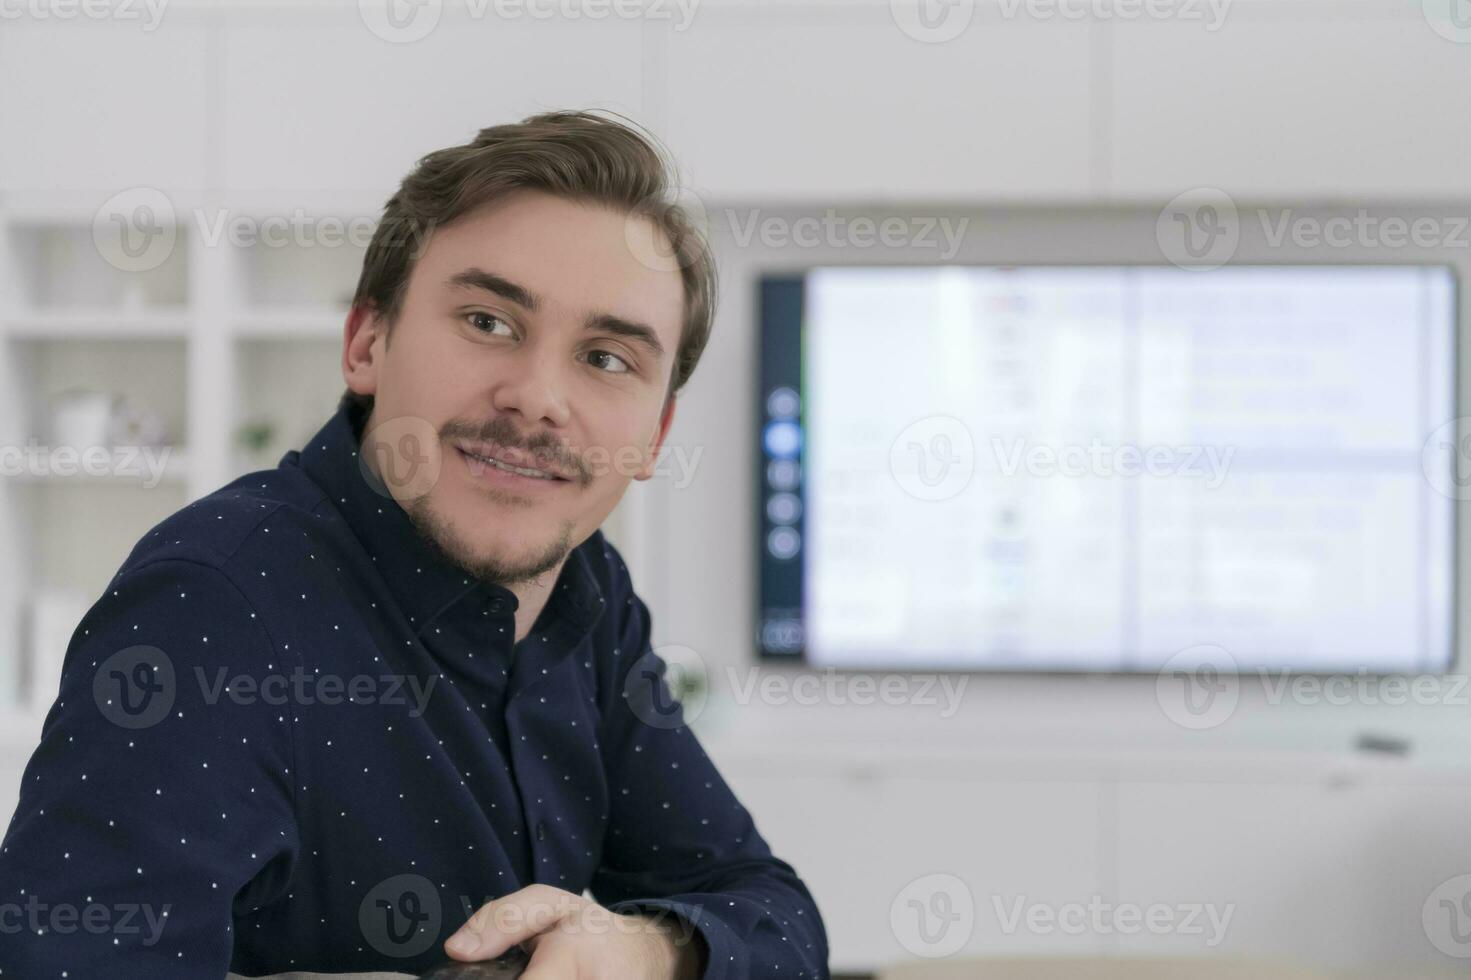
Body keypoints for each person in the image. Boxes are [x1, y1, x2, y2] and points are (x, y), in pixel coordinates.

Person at [0, 110, 830, 980]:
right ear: (367, 341)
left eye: (607, 358)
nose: (537, 397)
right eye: (488, 321)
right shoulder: (216, 601)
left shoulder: (586, 591)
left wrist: (646, 950)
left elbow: (771, 914)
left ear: (655, 434)